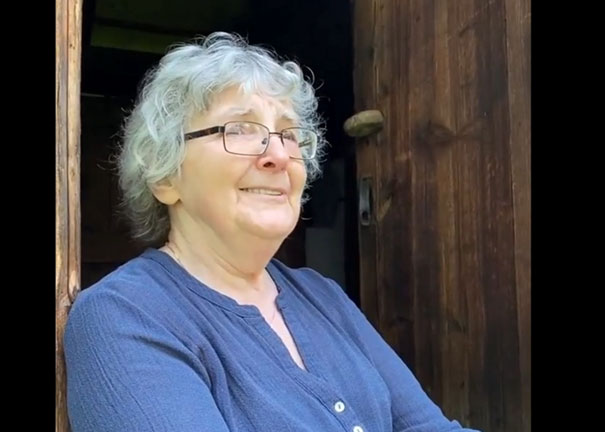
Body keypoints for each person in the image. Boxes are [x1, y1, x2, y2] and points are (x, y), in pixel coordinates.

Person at [64, 32, 480, 432]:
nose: (279, 155)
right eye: (239, 129)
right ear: (164, 176)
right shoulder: (126, 315)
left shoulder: (323, 296)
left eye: (289, 134)